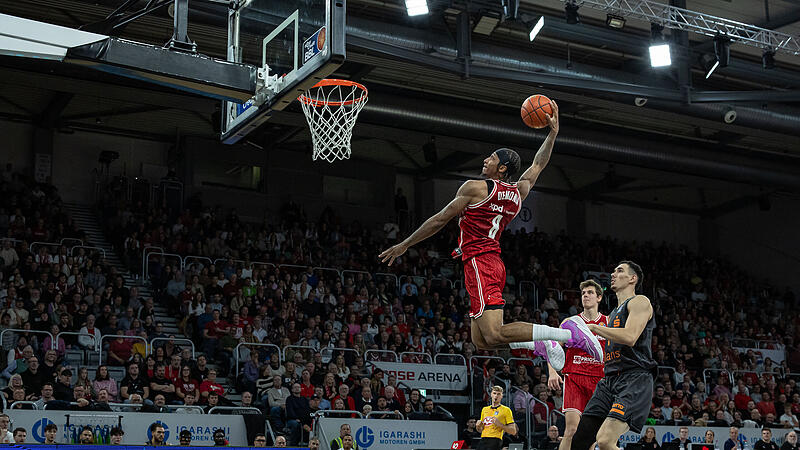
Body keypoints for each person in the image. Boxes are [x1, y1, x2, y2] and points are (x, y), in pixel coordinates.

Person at [378, 102, 602, 369]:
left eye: (492, 158)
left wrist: (405, 244)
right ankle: (538, 344)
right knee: (481, 341)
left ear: (502, 168)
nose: (486, 160)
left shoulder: (475, 188)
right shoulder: (519, 192)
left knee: (494, 333)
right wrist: (552, 134)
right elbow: (538, 164)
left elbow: (440, 219)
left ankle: (562, 335)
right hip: (492, 261)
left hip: (479, 261)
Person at [570, 261, 656, 450]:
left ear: (633, 278)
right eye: (614, 271)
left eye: (620, 271)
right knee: (579, 441)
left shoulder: (640, 301)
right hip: (609, 380)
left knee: (605, 441)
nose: (613, 274)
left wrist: (594, 328)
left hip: (634, 378)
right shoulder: (613, 313)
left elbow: (630, 336)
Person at [548, 279, 608, 450]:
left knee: (593, 434)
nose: (585, 296)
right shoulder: (570, 322)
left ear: (599, 297)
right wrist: (552, 372)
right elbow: (552, 347)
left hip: (600, 381)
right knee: (571, 430)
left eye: (590, 292)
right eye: (583, 293)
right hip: (574, 377)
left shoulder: (609, 321)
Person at [476, 386, 516, 450]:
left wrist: (500, 425)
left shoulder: (506, 410)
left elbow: (513, 431)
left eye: (498, 394)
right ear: (491, 394)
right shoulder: (485, 409)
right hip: (483, 439)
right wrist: (478, 426)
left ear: (501, 396)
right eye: (494, 393)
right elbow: (481, 430)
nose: (496, 396)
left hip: (495, 439)